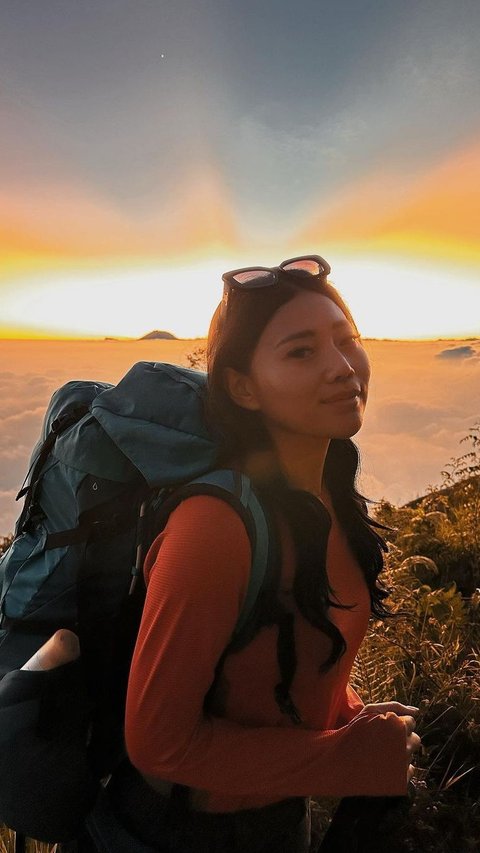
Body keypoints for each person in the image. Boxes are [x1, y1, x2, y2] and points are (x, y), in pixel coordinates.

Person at [85, 254, 421, 853]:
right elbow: (159, 743)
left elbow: (271, 666)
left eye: (349, 340)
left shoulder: (331, 500)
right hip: (179, 834)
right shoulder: (214, 530)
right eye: (301, 351)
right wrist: (343, 758)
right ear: (242, 387)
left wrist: (348, 716)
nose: (343, 368)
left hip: (279, 817)